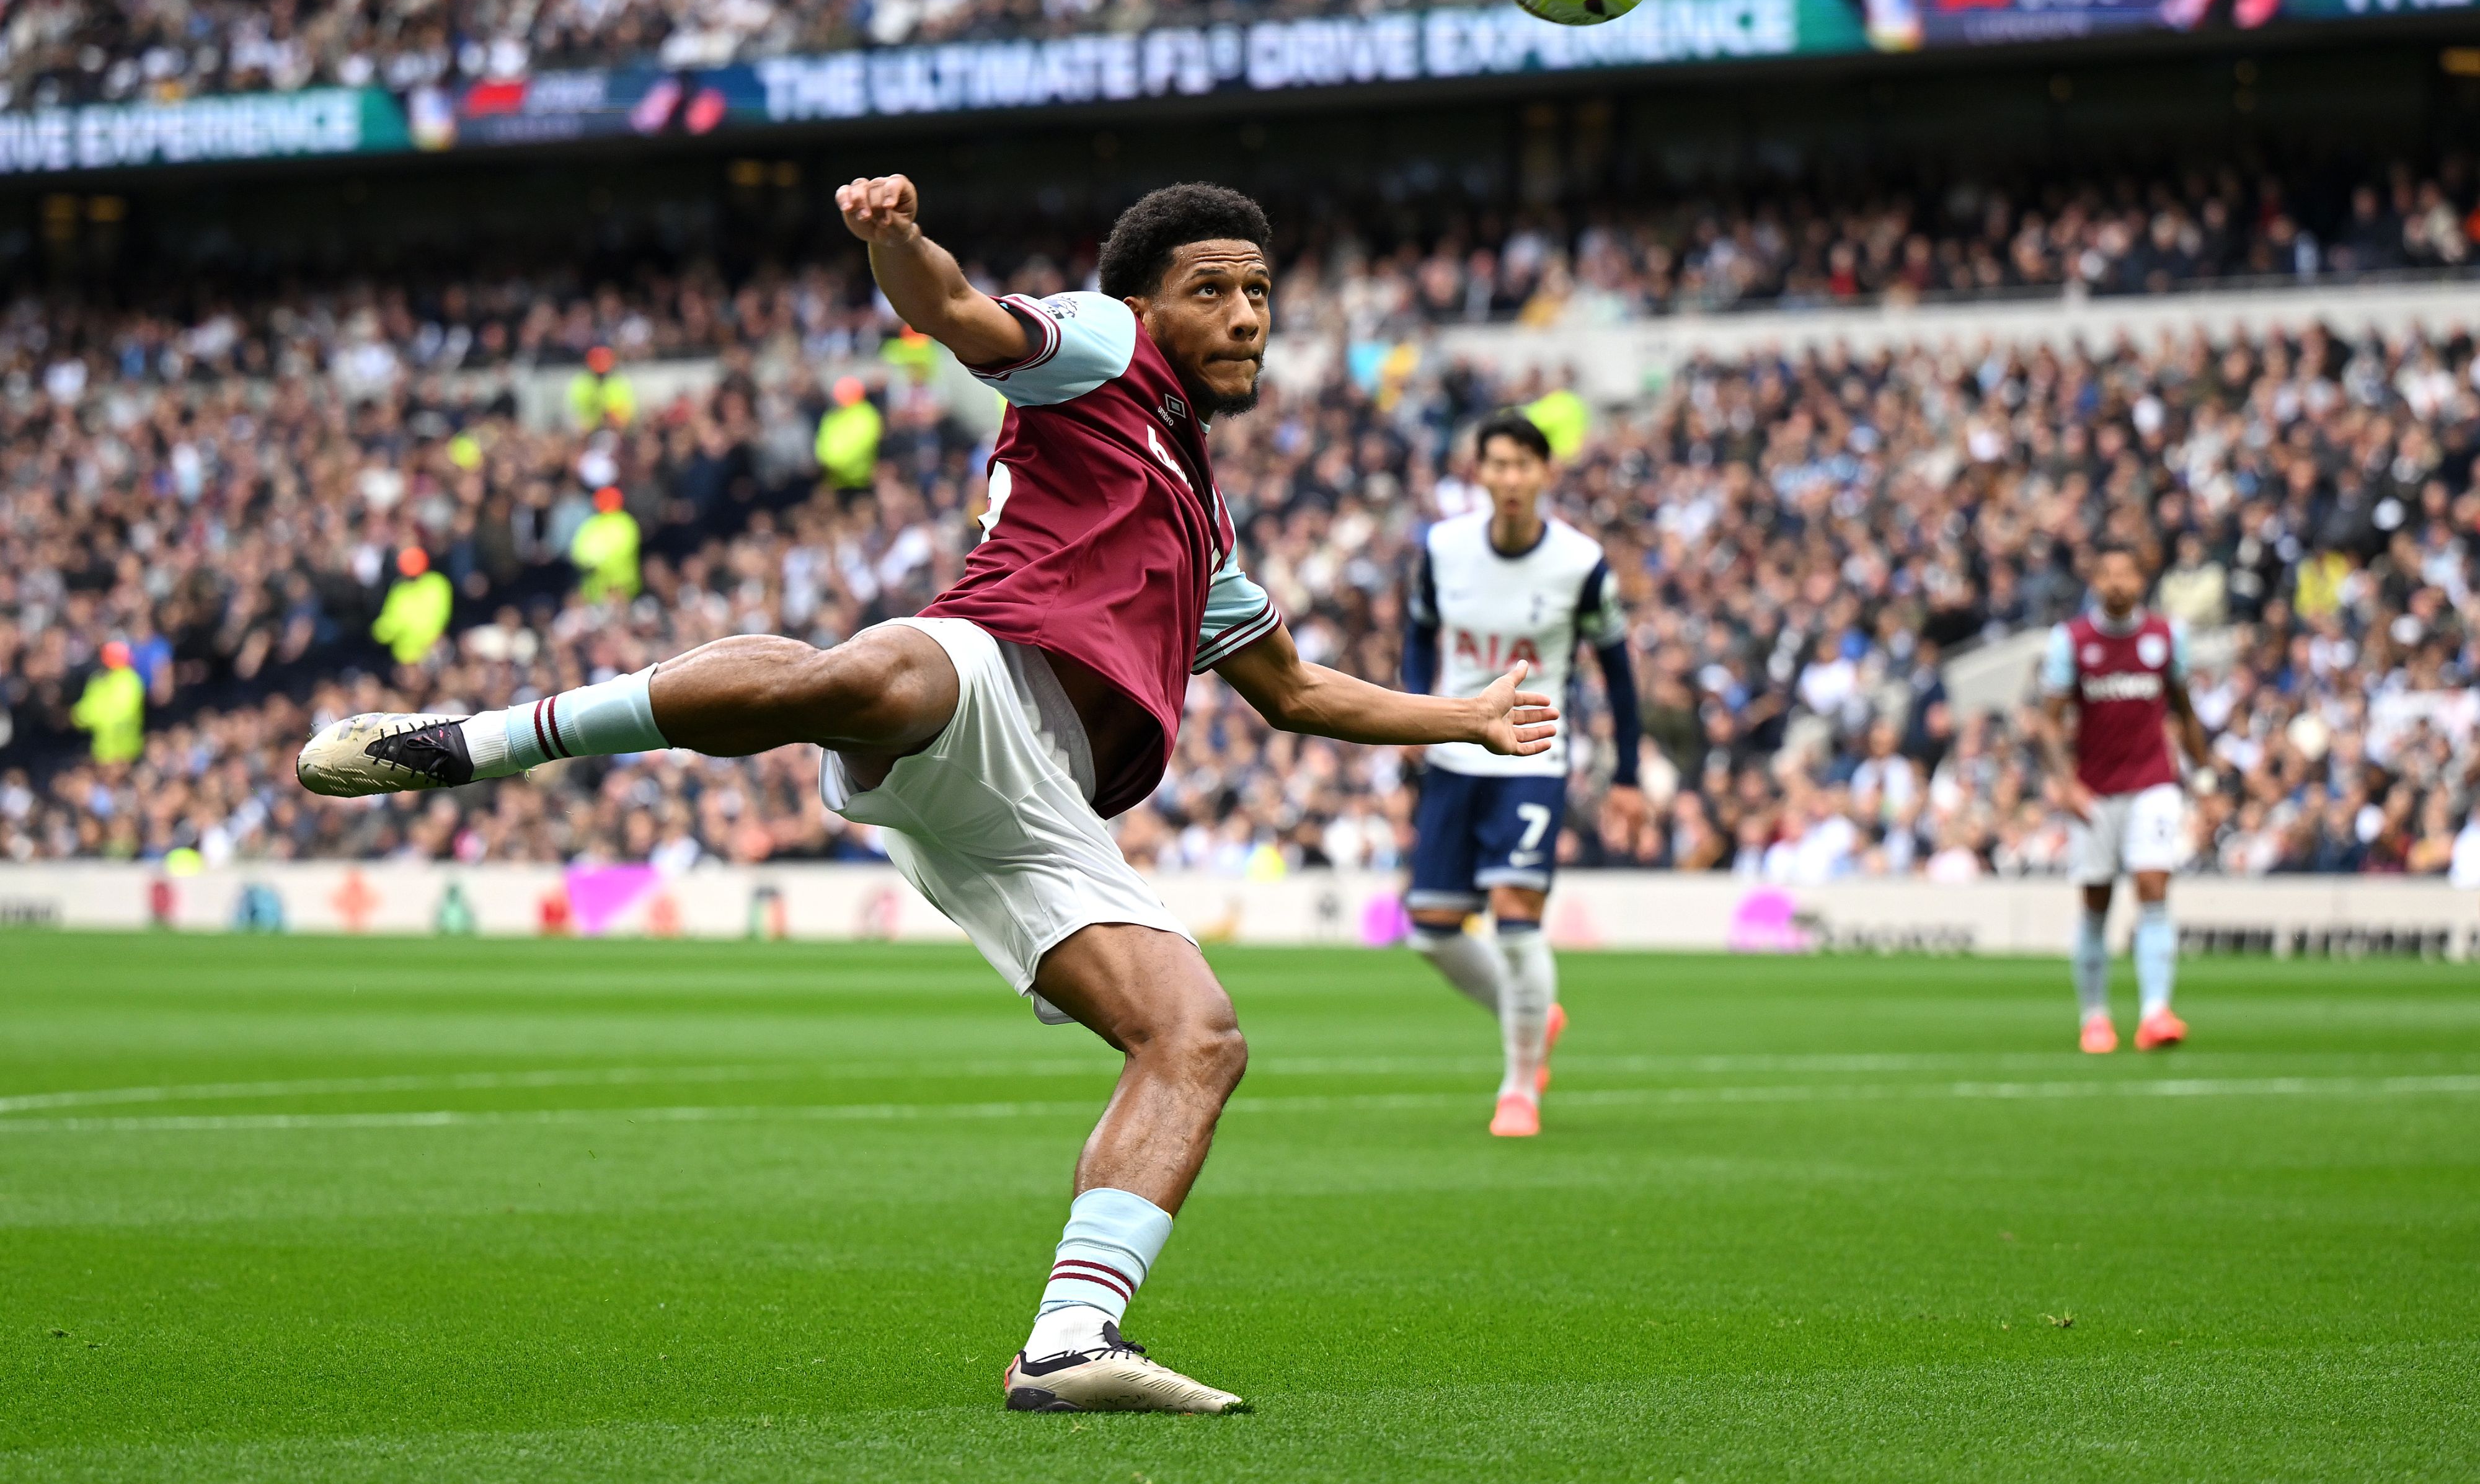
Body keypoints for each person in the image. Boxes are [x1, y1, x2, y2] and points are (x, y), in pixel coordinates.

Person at [294, 175, 1556, 1414]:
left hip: (1045, 802)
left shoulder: (1201, 523)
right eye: (1211, 289)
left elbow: (1291, 691)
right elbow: (954, 313)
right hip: (984, 668)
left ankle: (1070, 1339)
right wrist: (896, 241)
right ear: (1141, 300)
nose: (1243, 315)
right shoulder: (1102, 346)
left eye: (1260, 293)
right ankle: (476, 743)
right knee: (869, 676)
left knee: (1197, 1038)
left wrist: (1464, 716)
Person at [1399, 411, 1645, 1137]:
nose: (1508, 479)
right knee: (1432, 929)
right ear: (1479, 472)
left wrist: (1627, 772)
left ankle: (1518, 1089)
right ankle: (1535, 1016)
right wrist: (1417, 708)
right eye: (1496, 464)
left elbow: (1620, 674)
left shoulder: (1580, 563)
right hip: (1452, 751)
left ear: (1545, 474)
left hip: (1535, 756)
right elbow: (1417, 630)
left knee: (1514, 919)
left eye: (1521, 466)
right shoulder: (1442, 548)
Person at [2035, 542, 2213, 1055]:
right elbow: (2049, 724)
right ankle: (2095, 1017)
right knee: (2096, 901)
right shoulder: (2071, 641)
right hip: (2095, 788)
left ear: (2142, 580)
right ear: (2095, 582)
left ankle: (2156, 1013)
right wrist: (2066, 783)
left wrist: (2204, 780)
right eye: (2106, 573)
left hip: (2153, 782)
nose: (2116, 583)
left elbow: (2184, 709)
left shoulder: (2165, 637)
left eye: (2125, 573)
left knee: (2153, 886)